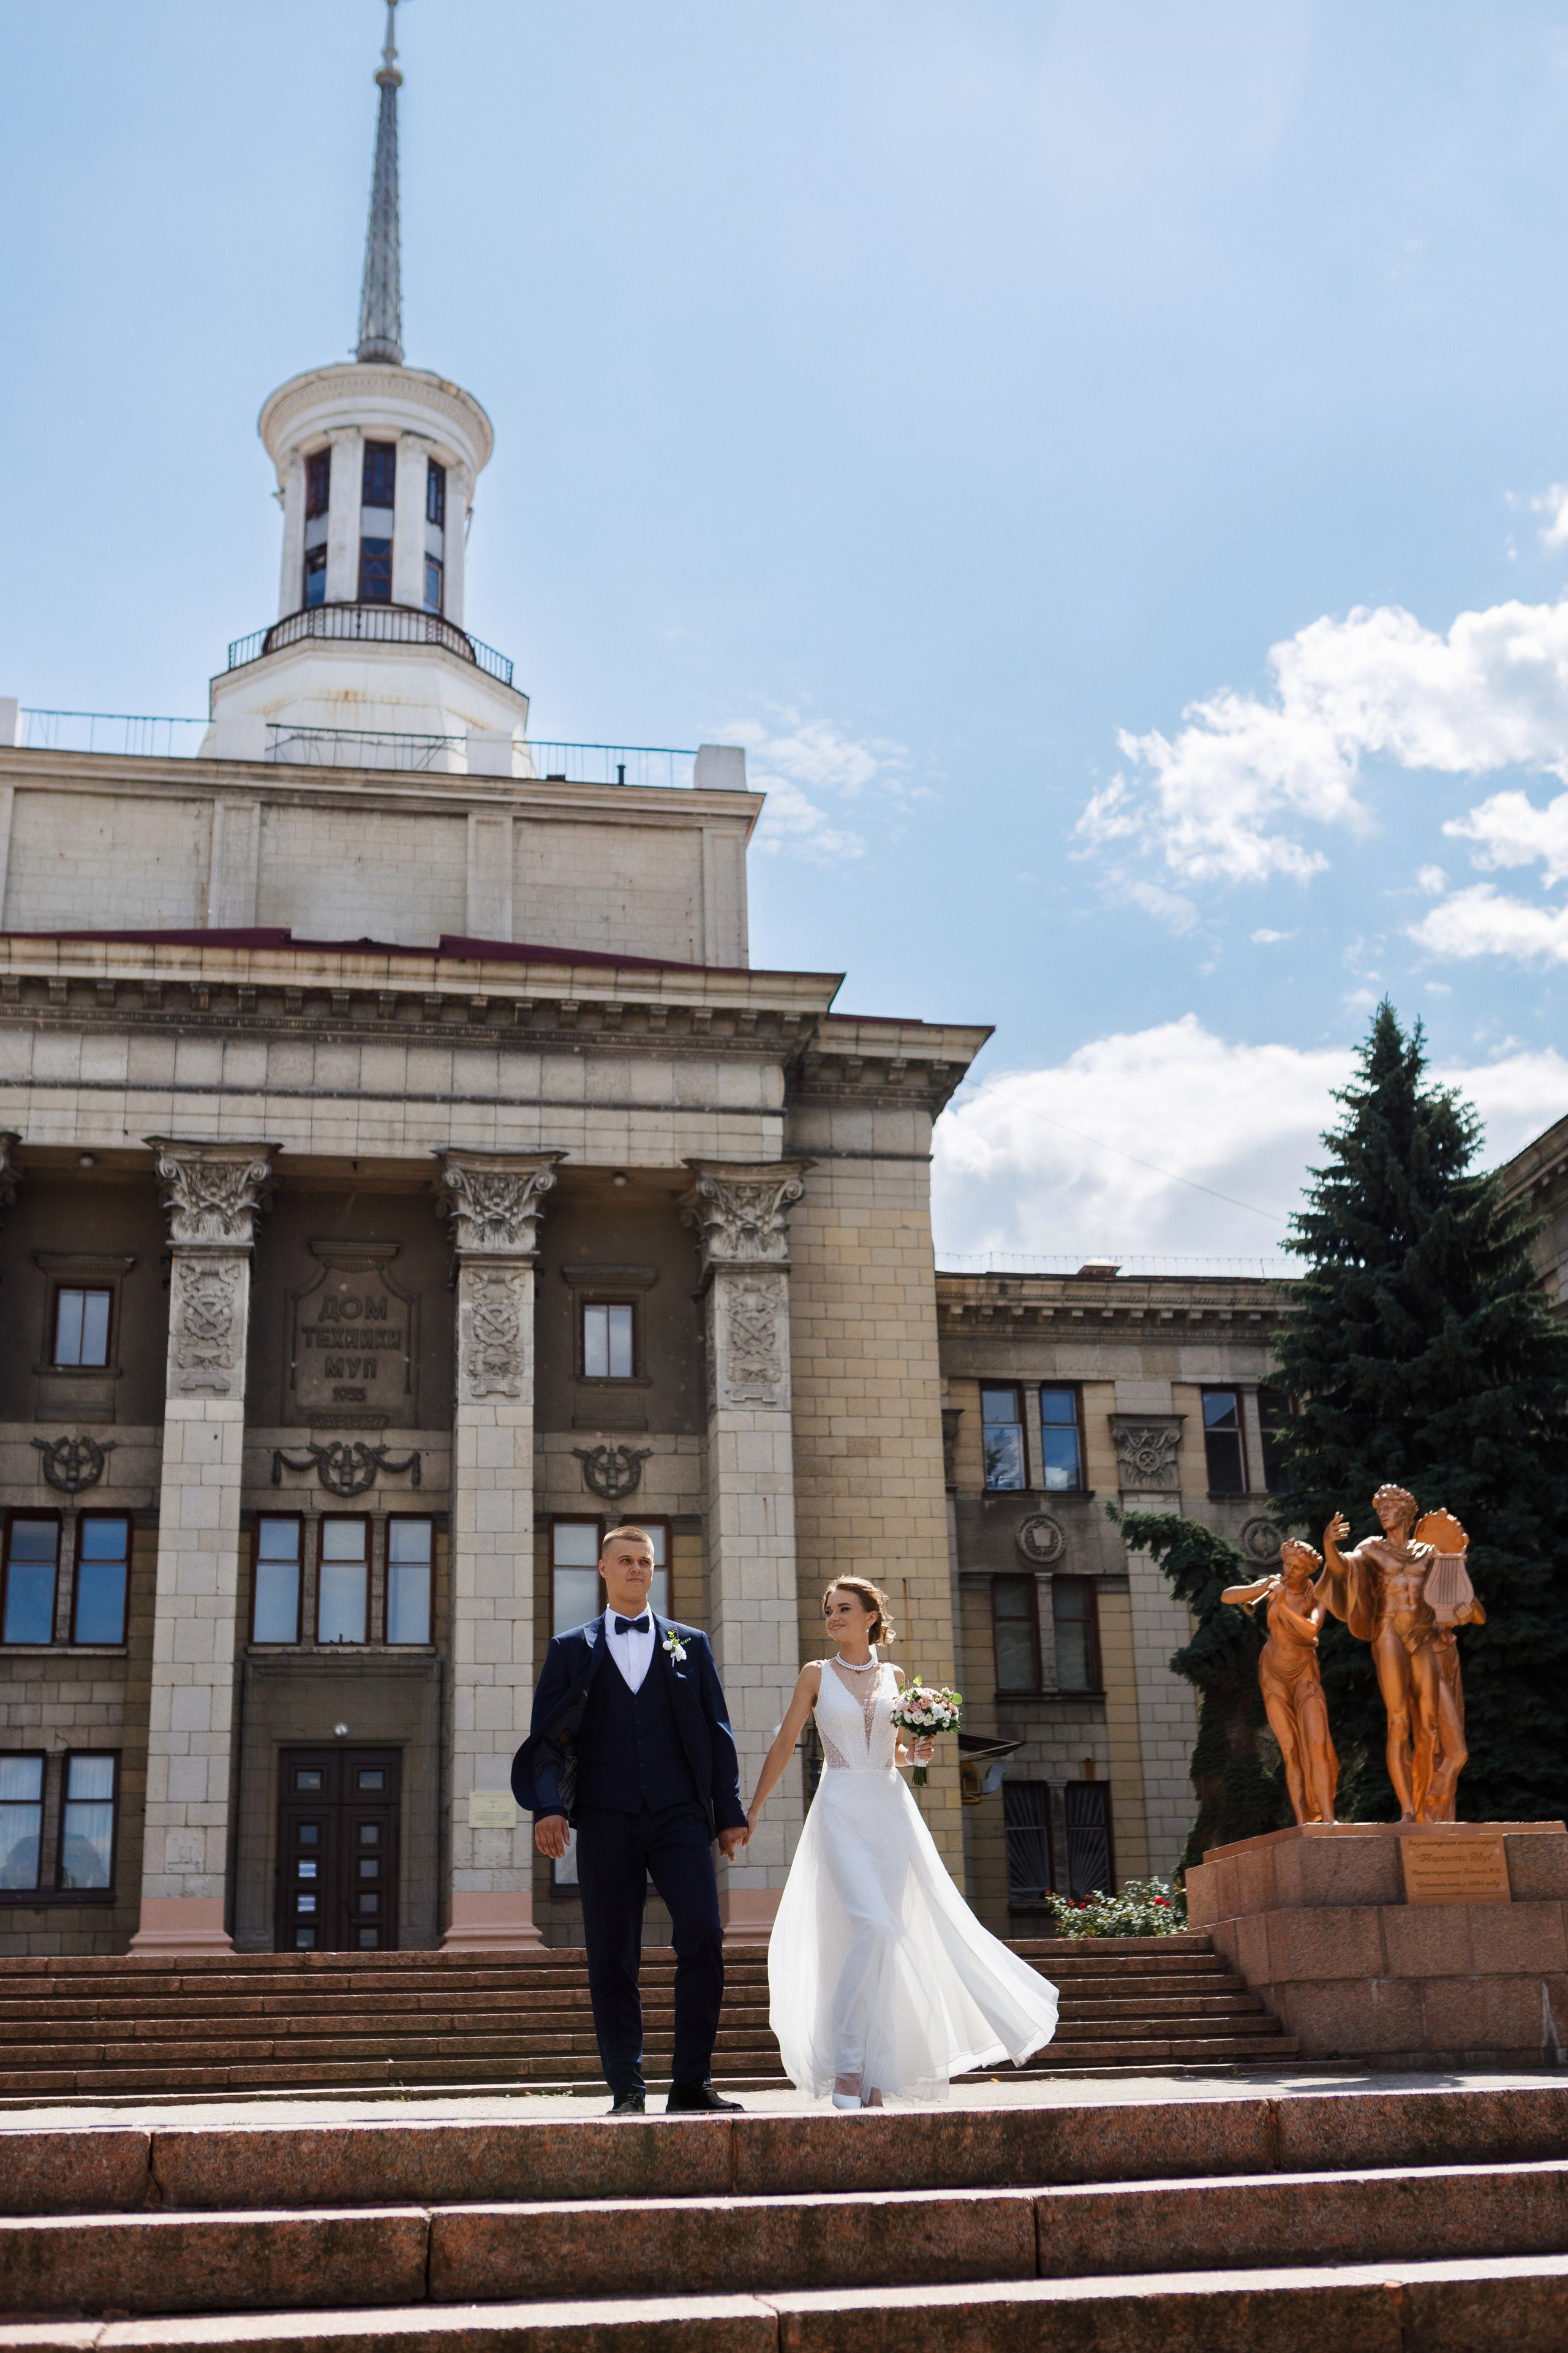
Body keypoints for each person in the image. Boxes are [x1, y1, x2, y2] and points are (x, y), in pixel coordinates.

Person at [747, 1576, 1059, 2107]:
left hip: (890, 1812)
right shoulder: (815, 1674)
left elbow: (891, 1752)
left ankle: (872, 2077)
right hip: (840, 1807)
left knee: (885, 1936)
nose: (834, 1617)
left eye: (845, 1608)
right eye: (829, 1610)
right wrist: (751, 1811)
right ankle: (845, 2067)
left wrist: (915, 1757)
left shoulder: (894, 1675)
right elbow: (784, 1742)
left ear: (872, 1616)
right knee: (872, 1924)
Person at [511, 1524, 749, 2117]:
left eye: (646, 1561)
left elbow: (718, 1731)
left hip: (679, 1817)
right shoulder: (571, 1648)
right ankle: (627, 2089)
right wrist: (548, 1807)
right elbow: (546, 1739)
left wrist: (730, 1811)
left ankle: (691, 2083)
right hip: (606, 1817)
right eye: (626, 1560)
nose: (638, 1569)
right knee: (613, 1955)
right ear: (603, 1570)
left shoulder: (689, 1643)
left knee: (703, 1934)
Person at [1321, 1485, 1450, 1822]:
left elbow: (1448, 1597)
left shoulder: (1429, 1552)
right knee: (1398, 1722)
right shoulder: (1371, 1549)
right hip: (1388, 1631)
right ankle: (1408, 1810)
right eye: (1380, 1509)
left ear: (1405, 1512)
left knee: (1431, 1728)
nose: (1383, 1513)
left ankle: (1421, 1808)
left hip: (1421, 1636)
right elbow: (1340, 1569)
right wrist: (1328, 1545)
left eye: (1389, 1507)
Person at [1221, 1538, 1338, 1825]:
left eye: (1296, 1567)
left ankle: (1329, 1819)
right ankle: (1302, 1821)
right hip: (1273, 1673)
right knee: (1289, 1749)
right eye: (1287, 1563)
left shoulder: (1317, 1595)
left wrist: (1283, 1605)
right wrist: (1261, 1588)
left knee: (1317, 1742)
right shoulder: (1273, 1585)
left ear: (1307, 1571)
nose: (1289, 1570)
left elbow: (1311, 1631)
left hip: (1304, 1674)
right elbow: (1227, 1596)